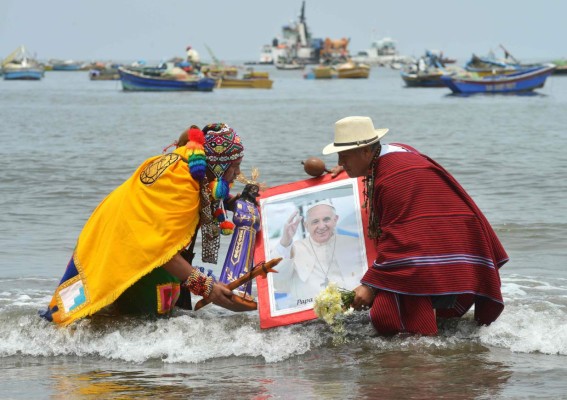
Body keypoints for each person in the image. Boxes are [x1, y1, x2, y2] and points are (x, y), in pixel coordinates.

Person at [41, 123, 247, 326]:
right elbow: (162, 251)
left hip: (111, 232)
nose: (237, 173)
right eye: (234, 166)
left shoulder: (186, 160)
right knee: (143, 325)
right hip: (132, 249)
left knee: (105, 316)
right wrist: (207, 288)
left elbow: (204, 188)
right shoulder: (181, 186)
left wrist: (231, 202)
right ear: (217, 165)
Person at [322, 116, 509, 336]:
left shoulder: (391, 179)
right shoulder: (396, 151)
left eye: (344, 156)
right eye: (339, 156)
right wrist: (347, 168)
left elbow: (402, 243)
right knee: (402, 289)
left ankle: (419, 353)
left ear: (365, 151)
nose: (341, 162)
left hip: (450, 233)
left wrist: (369, 286)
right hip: (456, 230)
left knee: (388, 315)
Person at [272, 201, 363, 308]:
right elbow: (276, 280)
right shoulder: (293, 249)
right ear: (306, 225)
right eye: (315, 222)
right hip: (310, 315)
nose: (321, 226)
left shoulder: (355, 243)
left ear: (335, 219)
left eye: (326, 219)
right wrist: (285, 241)